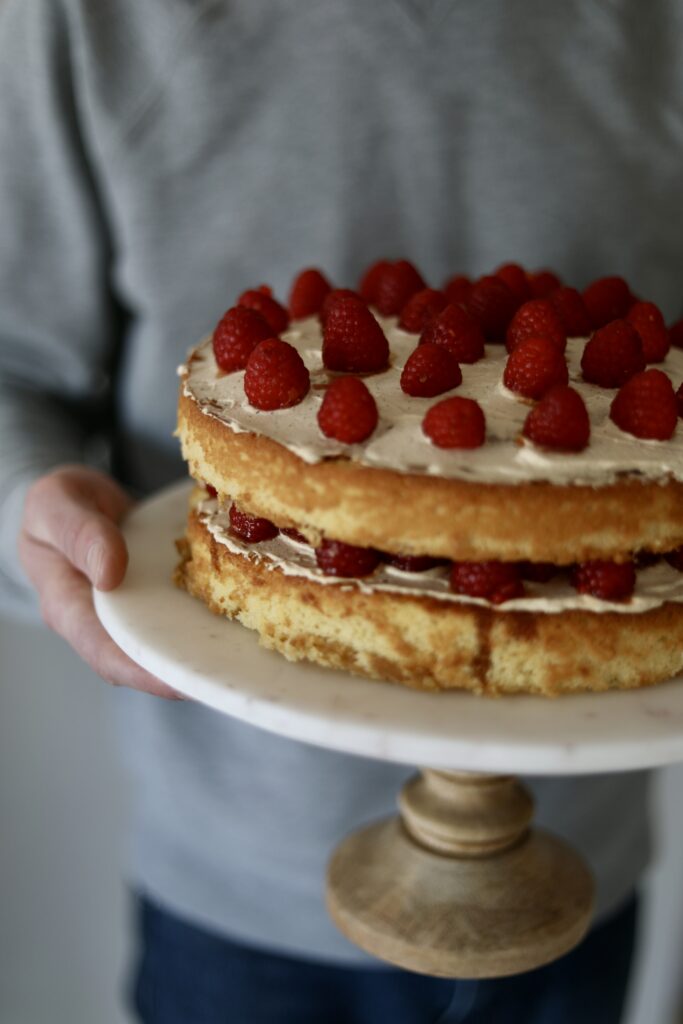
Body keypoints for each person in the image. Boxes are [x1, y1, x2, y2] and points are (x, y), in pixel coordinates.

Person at [2, 0, 678, 1020]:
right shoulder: (85, 19)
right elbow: (12, 367)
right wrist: (31, 496)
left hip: (573, 861)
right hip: (234, 886)